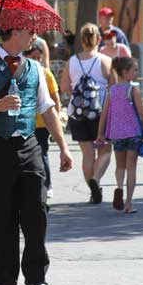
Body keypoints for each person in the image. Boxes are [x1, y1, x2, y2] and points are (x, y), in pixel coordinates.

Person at [0, 28, 73, 285]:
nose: (33, 37)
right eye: (29, 32)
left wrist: (63, 147)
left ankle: (37, 275)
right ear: (14, 33)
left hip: (29, 145)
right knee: (2, 216)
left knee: (36, 212)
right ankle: (5, 279)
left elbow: (46, 107)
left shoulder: (35, 68)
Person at [61, 23, 114, 203]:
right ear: (98, 39)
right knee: (105, 150)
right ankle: (96, 179)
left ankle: (93, 192)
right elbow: (114, 88)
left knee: (87, 153)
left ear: (81, 41)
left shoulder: (72, 61)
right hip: (101, 112)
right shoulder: (105, 61)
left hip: (77, 113)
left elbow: (64, 88)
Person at [97, 57, 143, 214]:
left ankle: (119, 187)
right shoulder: (133, 89)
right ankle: (128, 203)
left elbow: (104, 114)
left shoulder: (112, 91)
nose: (136, 72)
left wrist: (100, 133)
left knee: (120, 166)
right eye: (134, 69)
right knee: (131, 167)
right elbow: (141, 113)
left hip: (117, 134)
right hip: (133, 132)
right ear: (125, 72)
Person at [25, 44, 62, 200]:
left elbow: (55, 98)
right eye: (33, 57)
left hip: (42, 122)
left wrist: (58, 118)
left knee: (43, 153)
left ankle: (48, 185)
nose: (36, 60)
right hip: (27, 122)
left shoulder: (46, 73)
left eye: (39, 58)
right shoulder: (22, 72)